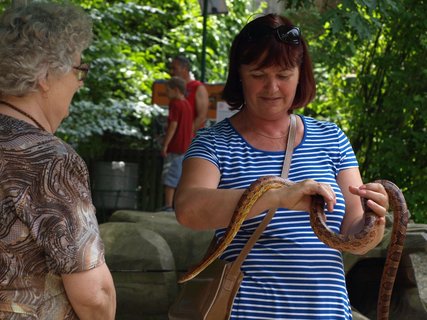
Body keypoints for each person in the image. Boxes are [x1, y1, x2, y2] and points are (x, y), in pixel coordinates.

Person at [174, 13, 388, 319]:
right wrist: (275, 195)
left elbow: (354, 239)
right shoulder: (213, 142)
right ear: (240, 75)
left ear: (301, 74)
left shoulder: (332, 139)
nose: (272, 87)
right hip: (245, 312)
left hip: (325, 312)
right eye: (259, 74)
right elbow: (188, 208)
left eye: (284, 74)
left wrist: (374, 220)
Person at [0, 2, 116, 319]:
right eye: (79, 70)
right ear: (45, 75)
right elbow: (94, 293)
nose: (80, 83)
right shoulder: (49, 160)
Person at [160, 76, 193, 211]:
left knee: (169, 175)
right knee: (180, 176)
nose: (166, 93)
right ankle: (177, 205)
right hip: (185, 147)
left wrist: (165, 145)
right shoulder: (187, 105)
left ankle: (168, 205)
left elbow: (173, 125)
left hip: (175, 147)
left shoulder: (175, 104)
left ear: (175, 90)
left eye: (168, 90)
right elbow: (190, 127)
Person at [169, 55, 209, 132]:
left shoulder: (198, 87)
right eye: (170, 68)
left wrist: (187, 134)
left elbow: (202, 117)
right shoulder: (174, 89)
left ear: (185, 69)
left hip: (192, 139)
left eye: (174, 69)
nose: (171, 72)